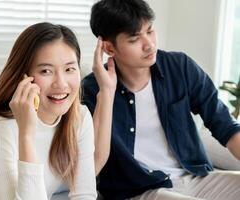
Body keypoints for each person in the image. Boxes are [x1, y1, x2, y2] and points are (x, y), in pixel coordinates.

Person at [81, 0, 240, 199]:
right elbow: (91, 159)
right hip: (142, 189)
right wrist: (106, 91)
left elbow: (225, 125)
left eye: (150, 30)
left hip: (194, 177)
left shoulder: (179, 66)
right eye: (134, 39)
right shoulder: (93, 89)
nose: (149, 44)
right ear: (108, 48)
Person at [0, 22, 97, 200]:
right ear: (23, 78)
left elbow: (84, 195)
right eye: (46, 71)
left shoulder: (79, 118)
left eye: (69, 69)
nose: (61, 83)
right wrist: (27, 135)